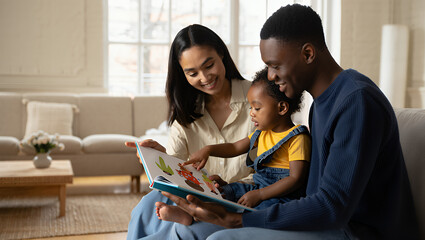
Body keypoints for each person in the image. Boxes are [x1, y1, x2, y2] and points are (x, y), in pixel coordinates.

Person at [160, 4, 420, 240]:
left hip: (355, 232)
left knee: (222, 238)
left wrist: (240, 219)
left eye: (275, 65)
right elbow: (311, 189)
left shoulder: (356, 102)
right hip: (322, 222)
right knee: (189, 231)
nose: (270, 76)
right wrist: (229, 197)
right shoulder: (320, 103)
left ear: (307, 53)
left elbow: (333, 206)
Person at [125, 24, 256, 239]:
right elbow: (177, 168)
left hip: (241, 199)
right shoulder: (187, 112)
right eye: (192, 73)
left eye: (209, 65)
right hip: (194, 195)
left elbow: (272, 171)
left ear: (221, 53)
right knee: (145, 207)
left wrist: (226, 189)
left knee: (177, 229)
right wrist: (159, 155)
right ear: (182, 73)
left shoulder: (258, 101)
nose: (204, 77)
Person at [155, 67, 311, 225]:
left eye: (257, 108)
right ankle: (188, 213)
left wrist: (260, 194)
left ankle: (203, 217)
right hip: (258, 185)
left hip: (279, 195)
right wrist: (209, 150)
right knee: (225, 191)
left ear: (282, 108)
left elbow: (295, 179)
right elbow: (235, 148)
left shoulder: (297, 138)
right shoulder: (263, 132)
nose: (251, 113)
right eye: (251, 108)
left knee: (263, 210)